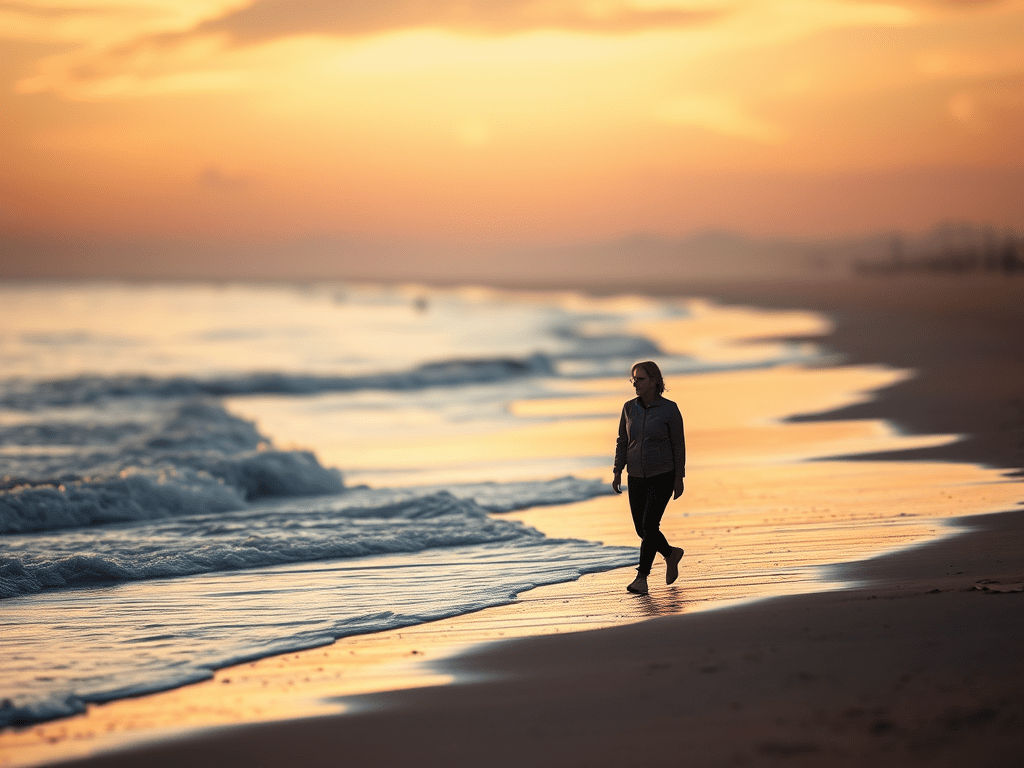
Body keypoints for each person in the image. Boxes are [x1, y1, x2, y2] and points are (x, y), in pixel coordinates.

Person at [612, 360, 685, 595]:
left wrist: (679, 477)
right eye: (633, 379)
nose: (636, 384)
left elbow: (678, 445)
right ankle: (670, 553)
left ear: (654, 381)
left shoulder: (669, 410)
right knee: (642, 530)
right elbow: (623, 441)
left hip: (662, 475)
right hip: (635, 476)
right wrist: (617, 471)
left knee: (649, 525)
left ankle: (641, 578)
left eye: (640, 379)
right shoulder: (628, 408)